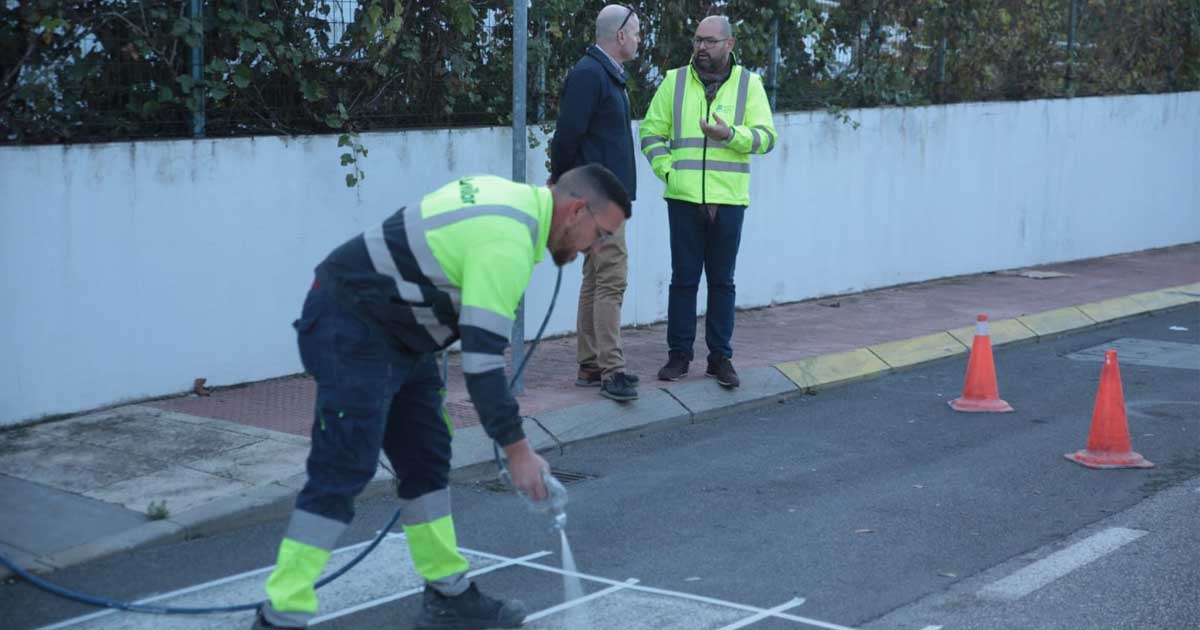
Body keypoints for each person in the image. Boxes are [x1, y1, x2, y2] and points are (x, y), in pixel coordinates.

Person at [252, 165, 632, 630]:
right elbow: (482, 365)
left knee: (426, 457)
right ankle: (280, 614)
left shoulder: (511, 203)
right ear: (576, 211)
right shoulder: (507, 241)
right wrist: (519, 454)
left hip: (397, 334)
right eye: (601, 234)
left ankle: (447, 596)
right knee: (344, 465)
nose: (596, 250)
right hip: (351, 322)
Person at [638, 15, 777, 389]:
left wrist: (730, 134)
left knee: (722, 282)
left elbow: (767, 138)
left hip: (729, 200)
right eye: (698, 40)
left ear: (729, 44)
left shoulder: (750, 84)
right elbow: (650, 133)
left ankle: (720, 358)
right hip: (683, 198)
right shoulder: (674, 81)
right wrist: (669, 173)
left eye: (711, 41)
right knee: (683, 281)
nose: (701, 47)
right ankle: (679, 356)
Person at [550, 4, 642, 402]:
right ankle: (611, 370)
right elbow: (565, 137)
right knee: (611, 279)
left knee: (594, 278)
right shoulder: (591, 75)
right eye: (636, 33)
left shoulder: (604, 75)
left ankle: (590, 364)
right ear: (620, 36)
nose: (639, 40)